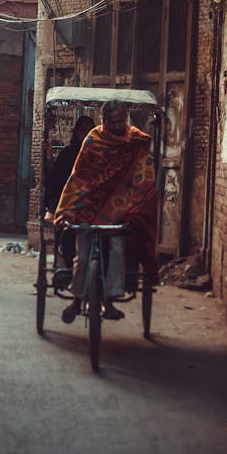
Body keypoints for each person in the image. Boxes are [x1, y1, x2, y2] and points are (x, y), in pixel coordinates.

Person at [54, 99, 158, 323]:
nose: (119, 125)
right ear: (104, 122)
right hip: (88, 208)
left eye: (122, 120)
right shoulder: (93, 140)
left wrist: (132, 208)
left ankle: (110, 300)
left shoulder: (133, 140)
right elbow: (80, 176)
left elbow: (142, 171)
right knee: (82, 257)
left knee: (118, 249)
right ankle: (75, 301)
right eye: (114, 122)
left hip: (118, 211)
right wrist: (68, 209)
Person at [44, 115, 95, 283]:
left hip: (96, 205)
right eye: (82, 131)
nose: (86, 135)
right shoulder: (68, 154)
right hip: (71, 204)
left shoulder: (101, 154)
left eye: (90, 131)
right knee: (68, 232)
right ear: (77, 133)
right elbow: (54, 180)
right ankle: (66, 263)